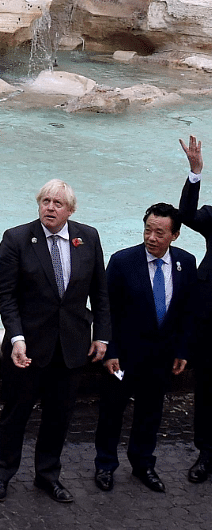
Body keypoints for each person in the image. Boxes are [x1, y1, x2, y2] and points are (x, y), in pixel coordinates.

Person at [0, 179, 109, 504]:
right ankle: (1, 475)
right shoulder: (16, 239)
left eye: (57, 203)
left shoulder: (89, 237)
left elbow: (100, 293)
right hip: (27, 348)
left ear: (70, 209)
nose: (50, 208)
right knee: (15, 415)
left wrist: (103, 337)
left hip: (71, 347)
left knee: (59, 416)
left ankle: (48, 475)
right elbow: (6, 297)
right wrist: (17, 338)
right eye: (45, 201)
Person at [94, 203, 196, 493]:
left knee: (151, 413)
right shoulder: (123, 261)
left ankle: (143, 464)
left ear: (174, 235)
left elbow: (188, 312)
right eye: (148, 230)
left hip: (160, 358)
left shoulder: (185, 263)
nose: (151, 237)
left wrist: (183, 350)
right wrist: (110, 351)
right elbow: (106, 310)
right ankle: (105, 465)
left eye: (159, 232)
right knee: (112, 412)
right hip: (123, 358)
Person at [178, 135, 212, 483]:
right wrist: (195, 172)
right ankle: (206, 453)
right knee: (206, 391)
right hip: (209, 321)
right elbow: (185, 215)